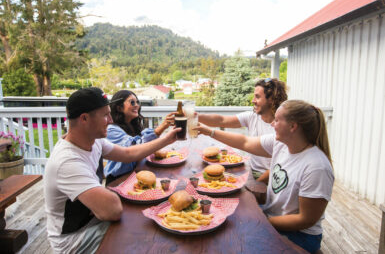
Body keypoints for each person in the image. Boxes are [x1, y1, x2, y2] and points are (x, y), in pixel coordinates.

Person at [44, 87, 180, 254]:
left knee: (148, 221)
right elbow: (112, 210)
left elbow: (128, 153)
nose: (110, 120)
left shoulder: (94, 141)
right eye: (104, 115)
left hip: (95, 221)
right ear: (84, 118)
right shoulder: (67, 162)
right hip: (75, 239)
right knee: (144, 235)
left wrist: (166, 140)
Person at [195, 100, 334, 253]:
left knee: (235, 241)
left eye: (278, 120)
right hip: (271, 215)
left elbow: (306, 219)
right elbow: (245, 141)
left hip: (300, 235)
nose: (273, 124)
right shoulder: (281, 144)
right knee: (225, 219)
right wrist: (209, 132)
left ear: (293, 127)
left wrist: (263, 221)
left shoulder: (316, 167)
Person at [197, 78, 287, 179]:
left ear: (271, 99)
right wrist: (195, 116)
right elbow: (221, 120)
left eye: (257, 97)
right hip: (251, 171)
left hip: (271, 178)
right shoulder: (252, 117)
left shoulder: (282, 128)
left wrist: (256, 183)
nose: (253, 101)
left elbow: (281, 166)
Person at [104, 90, 176, 184]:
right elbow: (134, 148)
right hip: (118, 179)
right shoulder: (111, 130)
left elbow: (145, 147)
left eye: (137, 102)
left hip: (135, 175)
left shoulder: (133, 126)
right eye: (132, 102)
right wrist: (161, 128)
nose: (136, 105)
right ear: (119, 108)